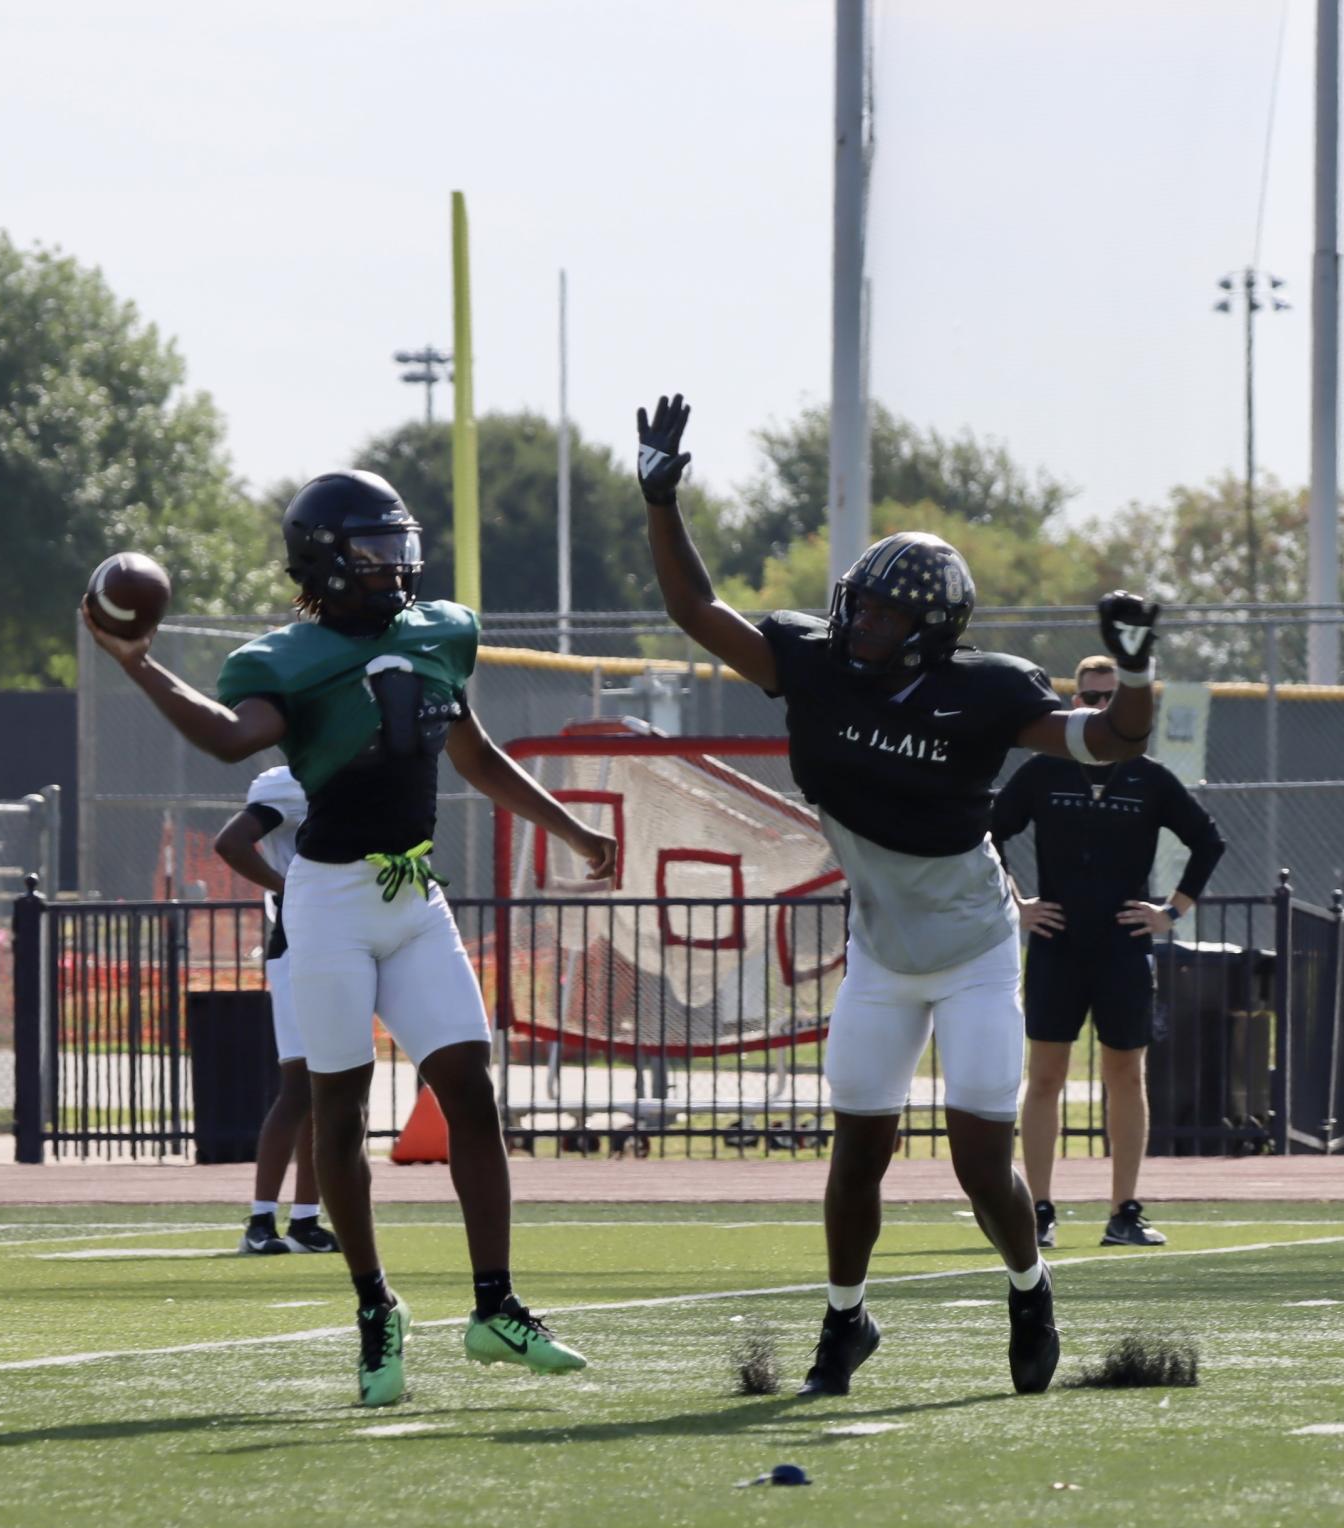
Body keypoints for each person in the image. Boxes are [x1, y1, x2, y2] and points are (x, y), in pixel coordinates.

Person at [636, 392, 1157, 1398]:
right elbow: (697, 612)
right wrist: (663, 501)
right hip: (878, 949)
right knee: (856, 1151)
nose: (863, 620)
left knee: (976, 1161)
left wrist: (1133, 670)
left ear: (931, 629)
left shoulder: (985, 691)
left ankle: (1029, 1286)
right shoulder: (816, 665)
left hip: (969, 950)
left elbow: (1108, 741)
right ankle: (844, 1321)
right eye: (861, 601)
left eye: (886, 611)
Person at [82, 469, 616, 1407]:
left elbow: (474, 751)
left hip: (413, 896)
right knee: (339, 1111)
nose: (393, 565)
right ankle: (376, 1306)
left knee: (470, 1088)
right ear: (324, 563)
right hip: (326, 903)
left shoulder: (443, 629)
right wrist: (135, 662)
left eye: (397, 545)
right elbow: (225, 737)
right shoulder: (283, 657)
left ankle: (495, 1304)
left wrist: (568, 829)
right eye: (370, 550)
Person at [992, 653, 1225, 1249]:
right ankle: (1038, 1211)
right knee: (1044, 1077)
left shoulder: (1150, 778)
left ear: (1132, 709)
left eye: (1111, 700)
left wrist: (1169, 913)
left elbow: (1208, 842)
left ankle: (1124, 1212)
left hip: (1123, 950)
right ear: (1074, 704)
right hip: (1056, 947)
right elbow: (986, 834)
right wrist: (1018, 905)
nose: (1099, 710)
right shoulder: (1045, 771)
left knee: (1125, 1073)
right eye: (1090, 699)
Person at [213, 764, 339, 1256]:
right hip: (301, 946)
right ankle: (261, 1219)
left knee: (335, 1089)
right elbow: (230, 843)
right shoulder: (290, 784)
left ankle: (307, 1220)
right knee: (299, 1087)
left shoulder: (358, 772)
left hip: (348, 944)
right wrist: (287, 888)